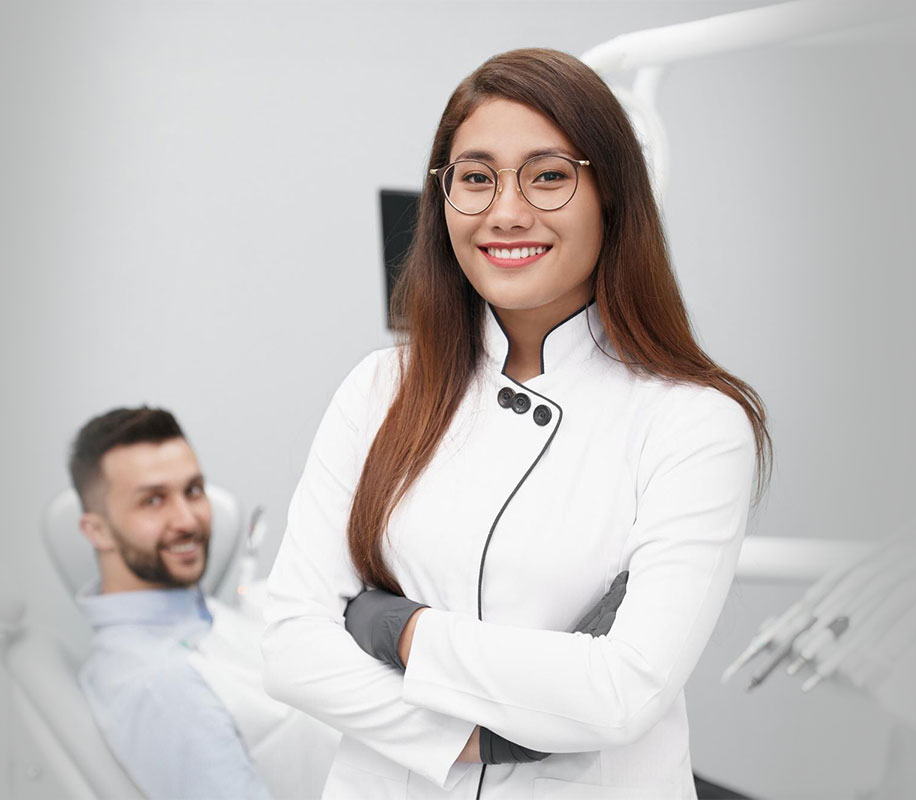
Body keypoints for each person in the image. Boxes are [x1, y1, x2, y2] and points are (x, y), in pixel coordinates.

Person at [262, 48, 771, 798]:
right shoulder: (379, 389)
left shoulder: (694, 422)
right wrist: (472, 739)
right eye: (475, 178)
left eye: (548, 176)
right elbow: (290, 649)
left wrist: (393, 628)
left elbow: (622, 690)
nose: (505, 211)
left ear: (612, 196)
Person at [71, 406, 336, 799]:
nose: (187, 520)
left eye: (193, 491)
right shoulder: (161, 687)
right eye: (153, 501)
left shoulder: (190, 613)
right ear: (98, 531)